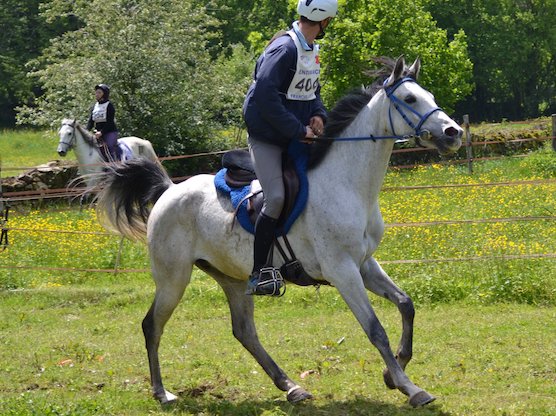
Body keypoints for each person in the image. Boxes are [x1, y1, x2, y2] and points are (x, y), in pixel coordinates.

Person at [242, 0, 338, 296]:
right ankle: (259, 274)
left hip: (296, 136)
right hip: (267, 138)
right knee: (277, 198)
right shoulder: (284, 49)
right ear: (324, 21)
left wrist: (319, 115)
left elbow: (313, 91)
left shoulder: (311, 50)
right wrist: (299, 129)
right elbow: (265, 98)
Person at [86, 84, 120, 162]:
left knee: (109, 147)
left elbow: (110, 122)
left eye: (99, 93)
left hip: (109, 132)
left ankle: (115, 165)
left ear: (104, 94)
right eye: (96, 92)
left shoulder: (109, 106)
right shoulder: (95, 106)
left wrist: (101, 132)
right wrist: (86, 131)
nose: (96, 94)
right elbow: (91, 122)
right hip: (97, 134)